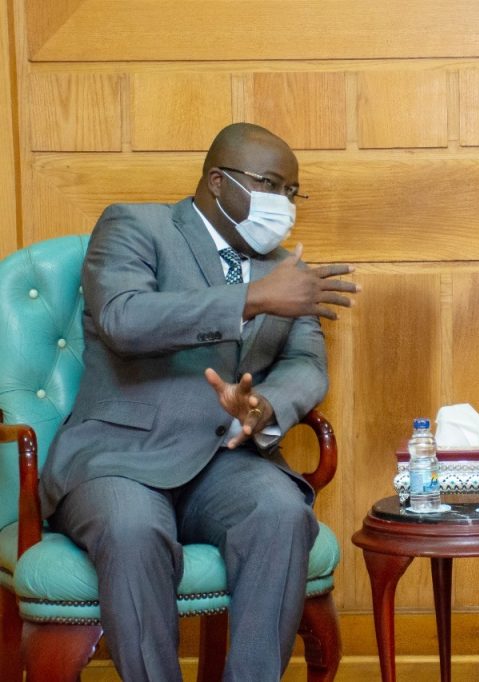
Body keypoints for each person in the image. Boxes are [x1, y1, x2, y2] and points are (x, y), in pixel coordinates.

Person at [39, 122, 359, 681]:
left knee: (282, 513)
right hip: (120, 458)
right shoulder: (135, 225)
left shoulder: (287, 271)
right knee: (132, 530)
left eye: (292, 191)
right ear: (218, 181)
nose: (283, 203)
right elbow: (123, 318)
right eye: (270, 184)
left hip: (224, 461)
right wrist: (252, 299)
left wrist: (265, 407)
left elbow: (305, 363)